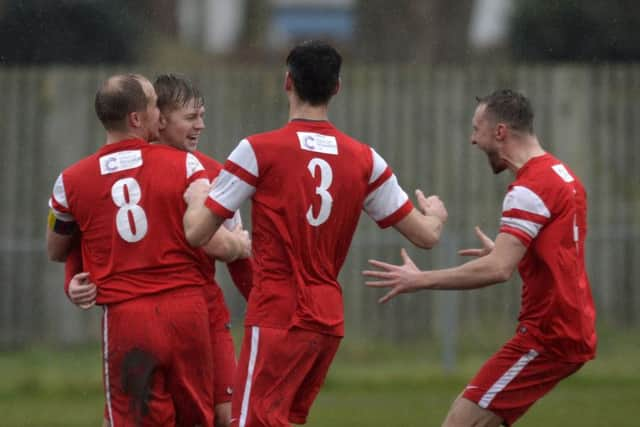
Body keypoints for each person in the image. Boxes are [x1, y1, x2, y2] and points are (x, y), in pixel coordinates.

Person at [182, 40, 449, 427]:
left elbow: (197, 233)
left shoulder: (258, 150)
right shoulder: (365, 159)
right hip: (326, 320)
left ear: (287, 82)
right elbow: (426, 236)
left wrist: (197, 195)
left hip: (278, 313)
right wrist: (436, 214)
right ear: (337, 88)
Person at [364, 89, 597, 427]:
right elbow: (561, 254)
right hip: (569, 327)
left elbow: (497, 270)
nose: (473, 140)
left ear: (500, 132)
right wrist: (522, 256)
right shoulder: (562, 176)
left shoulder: (530, 189)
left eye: (476, 130)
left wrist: (420, 279)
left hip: (548, 336)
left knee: (460, 422)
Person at [65, 73, 253, 427]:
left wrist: (262, 308)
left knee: (228, 416)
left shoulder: (213, 172)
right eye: (191, 117)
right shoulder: (127, 172)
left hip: (204, 312)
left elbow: (241, 257)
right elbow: (85, 233)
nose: (201, 125)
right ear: (157, 119)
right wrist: (72, 278)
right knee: (132, 417)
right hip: (150, 312)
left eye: (203, 115)